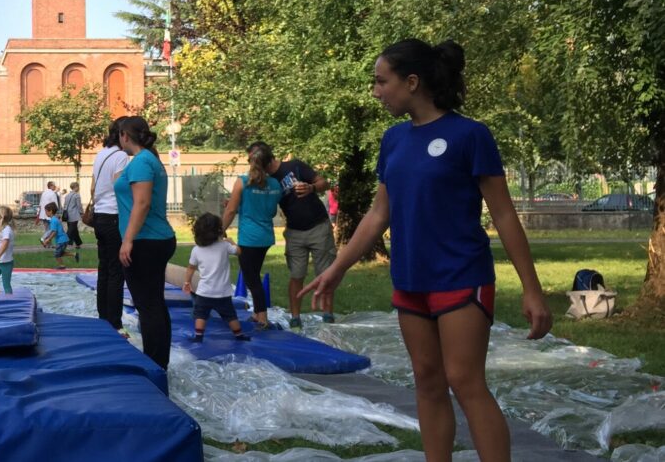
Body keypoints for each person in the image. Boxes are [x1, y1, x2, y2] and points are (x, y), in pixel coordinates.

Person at [301, 39, 553, 462]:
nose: (376, 91)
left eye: (382, 82)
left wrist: (532, 289)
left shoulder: (470, 135)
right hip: (411, 280)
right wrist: (337, 268)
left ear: (412, 82)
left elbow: (505, 216)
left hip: (461, 276)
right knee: (427, 379)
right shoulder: (394, 140)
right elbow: (379, 213)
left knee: (464, 380)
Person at [247, 141, 337, 329]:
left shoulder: (294, 166)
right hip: (294, 232)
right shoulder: (266, 181)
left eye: (254, 159)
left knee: (325, 274)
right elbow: (258, 203)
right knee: (297, 275)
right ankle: (295, 317)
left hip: (319, 227)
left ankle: (328, 315)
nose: (252, 163)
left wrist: (311, 188)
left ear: (266, 156)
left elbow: (324, 182)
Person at [115, 116, 176, 368]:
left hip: (145, 241)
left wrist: (127, 240)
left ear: (125, 136)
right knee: (154, 304)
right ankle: (158, 361)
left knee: (148, 305)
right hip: (154, 239)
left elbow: (142, 203)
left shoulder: (141, 161)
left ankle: (155, 363)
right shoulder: (150, 160)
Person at [220, 146, 282, 328]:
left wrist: (220, 230)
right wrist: (241, 206)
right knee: (254, 274)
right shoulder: (276, 185)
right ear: (268, 162)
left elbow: (230, 210)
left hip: (249, 237)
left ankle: (262, 316)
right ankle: (257, 314)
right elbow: (269, 212)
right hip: (265, 237)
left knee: (251, 278)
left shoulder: (243, 182)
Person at [182, 213, 249, 343]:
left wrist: (187, 282)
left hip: (204, 292)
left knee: (200, 314)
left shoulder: (196, 250)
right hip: (223, 292)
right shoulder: (225, 246)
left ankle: (198, 336)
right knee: (230, 315)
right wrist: (232, 241)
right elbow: (239, 252)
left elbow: (191, 268)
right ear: (219, 231)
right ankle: (239, 335)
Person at [90, 118, 130, 335]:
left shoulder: (101, 154)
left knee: (103, 269)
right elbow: (120, 188)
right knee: (116, 272)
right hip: (114, 216)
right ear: (123, 134)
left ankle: (102, 317)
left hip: (99, 216)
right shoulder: (122, 157)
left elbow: (93, 187)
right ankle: (115, 322)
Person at [40, 203, 71, 269]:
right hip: (63, 239)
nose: (45, 213)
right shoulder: (55, 219)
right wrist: (47, 239)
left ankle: (62, 266)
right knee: (59, 253)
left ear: (50, 211)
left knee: (57, 254)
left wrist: (48, 240)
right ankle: (74, 255)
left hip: (61, 240)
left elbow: (54, 232)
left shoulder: (53, 220)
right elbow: (53, 232)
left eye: (46, 211)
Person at [63, 181, 83, 261]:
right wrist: (82, 212)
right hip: (74, 215)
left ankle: (78, 243)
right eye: (78, 187)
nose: (79, 188)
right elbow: (79, 205)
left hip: (67, 214)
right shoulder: (76, 195)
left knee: (74, 230)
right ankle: (66, 244)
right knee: (71, 230)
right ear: (76, 187)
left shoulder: (67, 195)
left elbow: (65, 205)